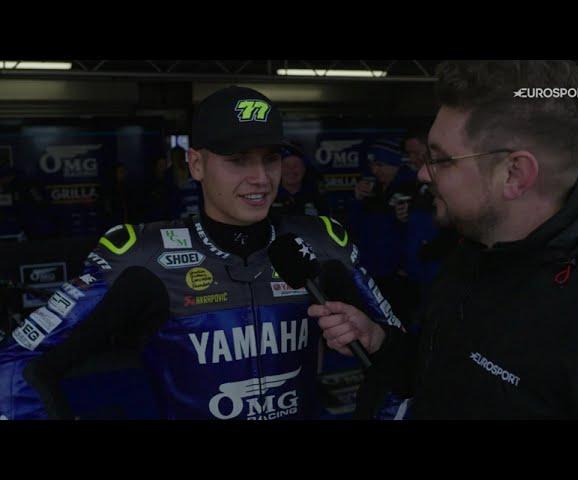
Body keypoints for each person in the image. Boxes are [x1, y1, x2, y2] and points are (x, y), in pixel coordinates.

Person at [0, 86, 402, 420]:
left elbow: (405, 356)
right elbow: (17, 365)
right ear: (196, 164)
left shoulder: (322, 242)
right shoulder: (141, 257)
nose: (260, 178)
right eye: (237, 160)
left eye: (270, 158)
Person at [309, 60, 578, 419]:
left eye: (442, 159)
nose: (422, 172)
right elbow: (442, 374)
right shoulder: (475, 246)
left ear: (514, 174)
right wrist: (381, 342)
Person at [347, 139, 416, 322]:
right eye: (372, 165)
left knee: (401, 323)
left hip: (398, 275)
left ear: (394, 163)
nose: (375, 170)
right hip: (371, 272)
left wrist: (406, 266)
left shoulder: (411, 187)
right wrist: (357, 200)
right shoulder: (372, 188)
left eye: (380, 165)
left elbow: (418, 232)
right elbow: (353, 227)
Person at [271, 142, 329, 217]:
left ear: (304, 168)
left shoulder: (316, 197)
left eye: (296, 165)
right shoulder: (270, 195)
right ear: (278, 169)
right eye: (286, 165)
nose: (291, 170)